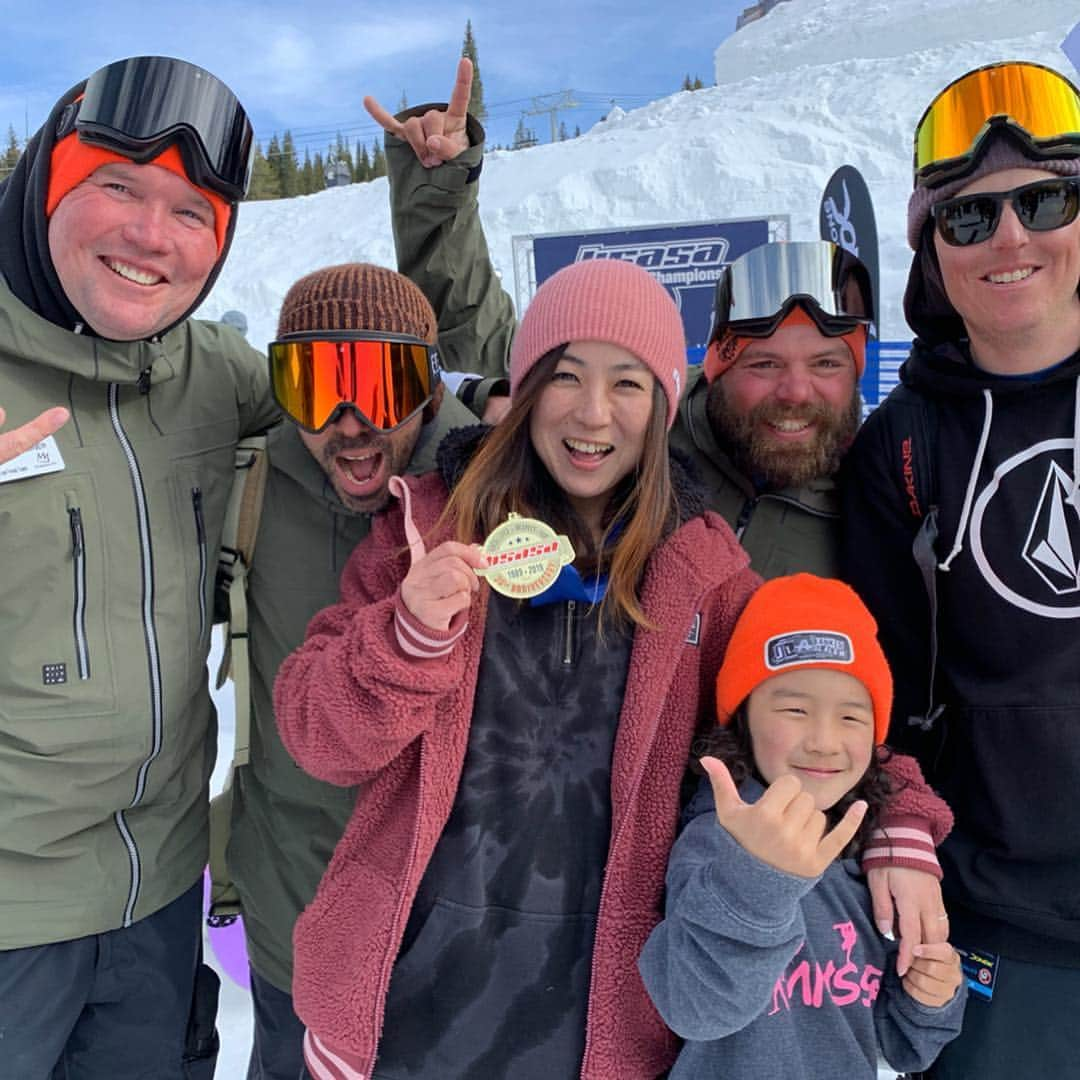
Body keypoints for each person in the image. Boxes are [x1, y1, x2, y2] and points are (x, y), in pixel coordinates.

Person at [365, 61, 955, 964]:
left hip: (739, 890)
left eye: (826, 365)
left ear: (860, 371)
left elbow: (879, 709)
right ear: (714, 363)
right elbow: (502, 345)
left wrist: (902, 819)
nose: (795, 393)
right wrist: (440, 193)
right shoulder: (646, 458)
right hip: (572, 879)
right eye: (764, 363)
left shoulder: (880, 502)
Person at [273, 257, 764, 1079]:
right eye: (565, 375)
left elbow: (813, 715)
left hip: (598, 1028)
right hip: (403, 1014)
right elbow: (319, 737)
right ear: (526, 387)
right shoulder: (424, 530)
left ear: (666, 406)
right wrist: (405, 639)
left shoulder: (705, 576)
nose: (593, 413)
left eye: (629, 384)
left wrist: (900, 827)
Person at [0, 55, 278, 1077]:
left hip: (163, 898)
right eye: (116, 186)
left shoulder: (216, 376)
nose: (150, 236)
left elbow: (383, 421)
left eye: (191, 210)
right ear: (45, 184)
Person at [839, 60, 1080, 1078]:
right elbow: (873, 689)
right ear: (931, 253)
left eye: (1046, 200)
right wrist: (898, 823)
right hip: (1002, 925)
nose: (1012, 238)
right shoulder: (899, 450)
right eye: (970, 218)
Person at [225, 262, 484, 1080]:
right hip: (295, 917)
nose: (348, 422)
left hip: (449, 928)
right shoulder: (250, 482)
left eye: (380, 383)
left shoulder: (495, 480)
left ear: (430, 382)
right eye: (313, 388)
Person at [639, 574, 965, 1079]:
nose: (824, 741)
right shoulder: (719, 837)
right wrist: (757, 878)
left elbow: (903, 1049)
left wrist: (930, 1000)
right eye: (795, 710)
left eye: (852, 718)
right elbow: (694, 1008)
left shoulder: (872, 852)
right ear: (743, 717)